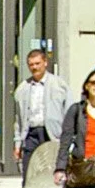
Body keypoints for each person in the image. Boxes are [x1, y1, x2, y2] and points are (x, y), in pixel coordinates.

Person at [12, 45, 69, 177]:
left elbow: (69, 113)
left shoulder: (59, 85)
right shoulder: (22, 89)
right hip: (31, 134)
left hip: (52, 134)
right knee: (29, 174)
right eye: (31, 64)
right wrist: (17, 143)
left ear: (45, 63)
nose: (34, 67)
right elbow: (18, 120)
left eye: (37, 63)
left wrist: (69, 140)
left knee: (53, 174)